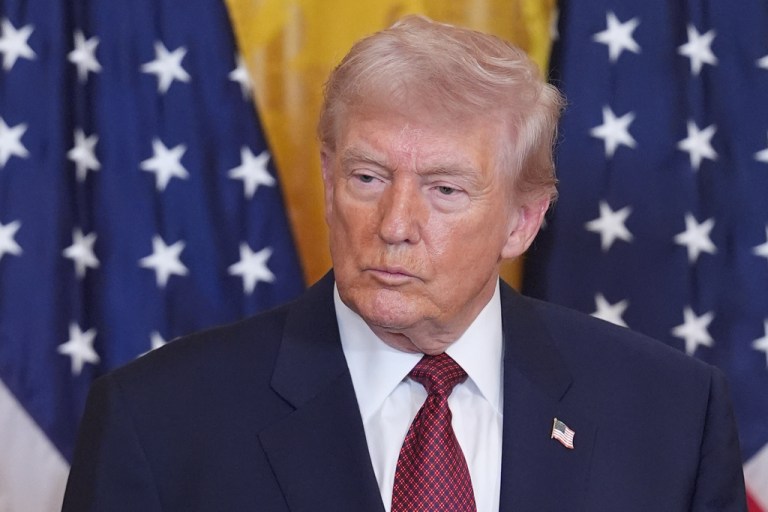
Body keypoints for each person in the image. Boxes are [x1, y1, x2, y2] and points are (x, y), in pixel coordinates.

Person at [62, 15, 747, 512]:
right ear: (328, 180)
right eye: (367, 177)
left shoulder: (670, 416)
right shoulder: (157, 420)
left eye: (445, 190)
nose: (394, 225)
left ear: (523, 220)